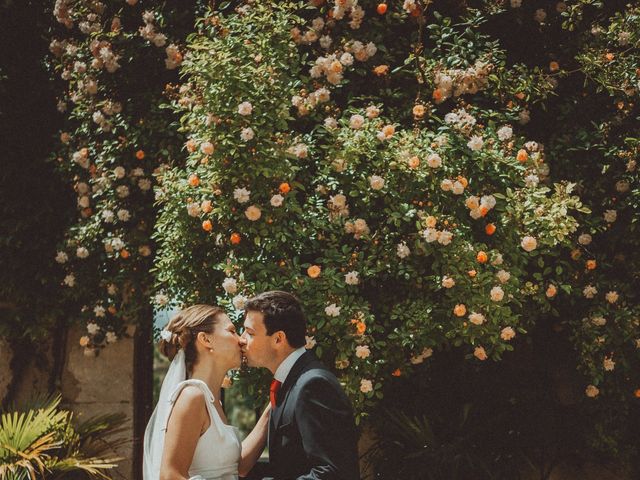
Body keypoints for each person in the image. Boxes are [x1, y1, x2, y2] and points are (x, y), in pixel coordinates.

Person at [239, 291, 360, 480]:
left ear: (278, 339)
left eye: (250, 332)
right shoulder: (291, 381)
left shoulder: (314, 385)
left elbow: (332, 473)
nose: (241, 339)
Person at [144, 304, 270, 480]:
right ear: (206, 339)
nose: (241, 340)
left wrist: (269, 411)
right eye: (232, 331)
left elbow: (235, 468)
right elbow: (170, 475)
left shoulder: (212, 401)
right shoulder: (192, 397)